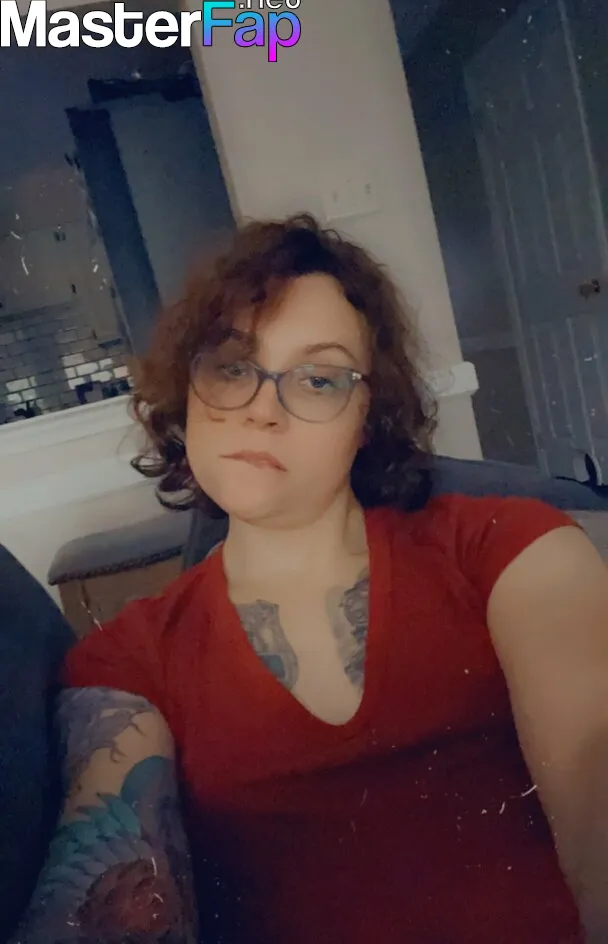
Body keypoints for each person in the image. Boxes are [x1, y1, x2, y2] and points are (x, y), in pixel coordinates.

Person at [11, 214, 608, 944]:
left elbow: (595, 769)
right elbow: (102, 891)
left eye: (319, 379)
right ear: (188, 396)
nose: (262, 409)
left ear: (368, 416)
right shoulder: (128, 660)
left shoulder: (504, 548)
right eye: (233, 367)